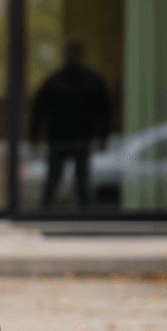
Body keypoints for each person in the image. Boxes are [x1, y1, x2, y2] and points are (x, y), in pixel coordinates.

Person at [31, 38, 112, 208]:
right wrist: (34, 136)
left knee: (80, 182)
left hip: (78, 138)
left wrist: (104, 136)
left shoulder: (89, 81)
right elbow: (39, 109)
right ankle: (47, 213)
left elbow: (104, 111)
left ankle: (83, 216)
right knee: (56, 180)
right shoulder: (56, 81)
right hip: (62, 139)